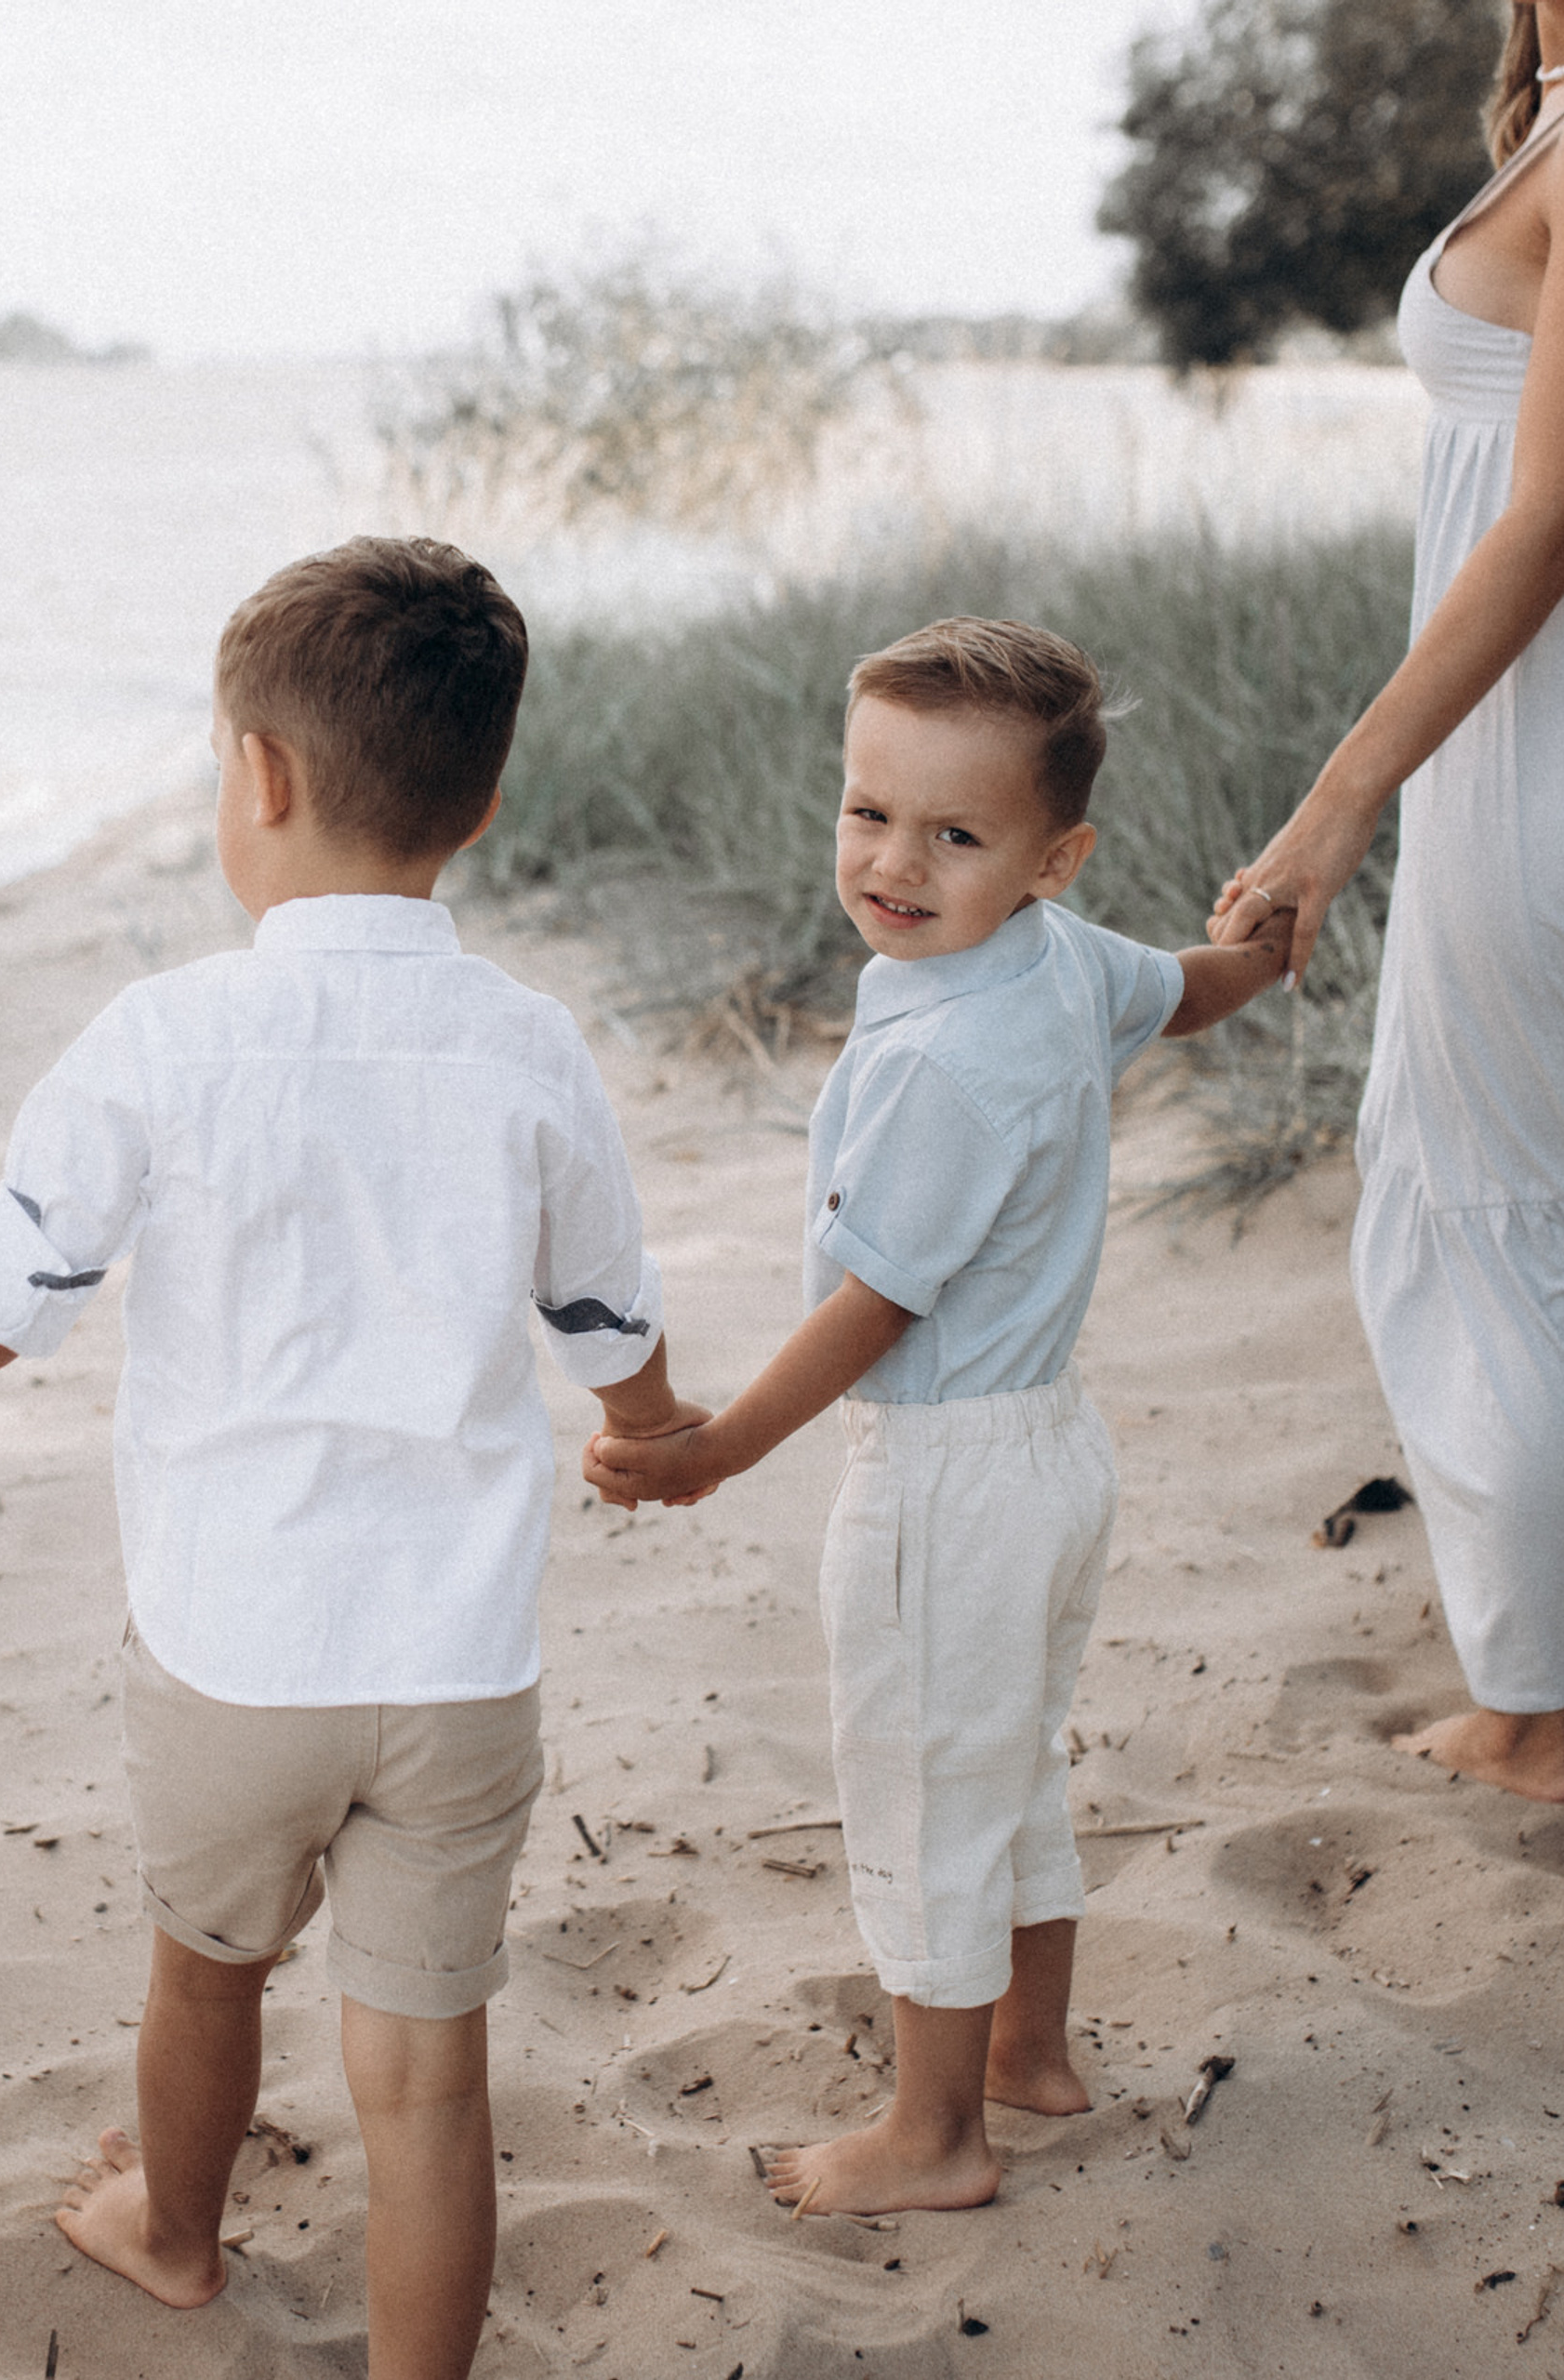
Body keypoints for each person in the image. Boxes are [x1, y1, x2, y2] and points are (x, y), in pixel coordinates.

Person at [0, 536, 697, 2380]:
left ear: (257, 776)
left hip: (234, 1655)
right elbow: (609, 1323)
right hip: (458, 1669)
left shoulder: (168, 1038)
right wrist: (642, 1430)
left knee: (204, 1970)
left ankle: (173, 2229)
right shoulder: (527, 1046)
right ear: (486, 798)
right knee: (428, 2070)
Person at [586, 620, 1291, 2215]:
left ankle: (932, 2136)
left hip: (946, 1479)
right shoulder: (1057, 960)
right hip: (1048, 1450)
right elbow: (1186, 992)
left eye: (955, 836)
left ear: (1055, 855)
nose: (894, 864)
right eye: (867, 814)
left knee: (922, 1790)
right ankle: (1028, 2058)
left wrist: (715, 1450)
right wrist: (1265, 945)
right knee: (1008, 1767)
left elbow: (873, 1305)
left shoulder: (950, 1062)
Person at [1210, 2, 1564, 1805]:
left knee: (1477, 1194)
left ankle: (1533, 1713)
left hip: (1524, 770)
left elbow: (1541, 516)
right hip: (1503, 750)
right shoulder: (1546, 112)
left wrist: (1335, 804)